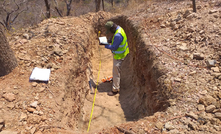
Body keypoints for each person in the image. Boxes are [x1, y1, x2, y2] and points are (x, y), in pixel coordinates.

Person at [100, 21, 129, 96]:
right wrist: (110, 41)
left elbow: (114, 47)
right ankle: (116, 82)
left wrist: (106, 45)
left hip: (119, 56)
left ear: (112, 27)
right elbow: (117, 42)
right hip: (121, 54)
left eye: (110, 30)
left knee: (116, 73)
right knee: (116, 71)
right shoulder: (120, 29)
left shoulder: (118, 35)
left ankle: (115, 89)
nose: (110, 32)